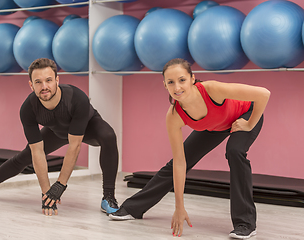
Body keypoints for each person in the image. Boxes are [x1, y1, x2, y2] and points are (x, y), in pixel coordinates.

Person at [109, 58, 270, 239]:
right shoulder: (174, 116)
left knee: (235, 151)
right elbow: (179, 163)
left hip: (245, 115)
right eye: (171, 82)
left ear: (192, 78)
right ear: (165, 85)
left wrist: (249, 124)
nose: (177, 87)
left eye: (182, 80)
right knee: (177, 161)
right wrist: (179, 207)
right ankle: (132, 208)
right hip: (215, 125)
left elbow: (263, 94)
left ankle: (245, 223)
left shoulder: (212, 90)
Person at [0, 58, 120, 216]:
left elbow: (74, 146)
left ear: (57, 80)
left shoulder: (76, 98)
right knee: (24, 156)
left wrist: (59, 186)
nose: (44, 86)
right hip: (56, 131)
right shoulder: (28, 109)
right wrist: (46, 194)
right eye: (38, 82)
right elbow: (38, 153)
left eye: (49, 80)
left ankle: (108, 197)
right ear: (31, 85)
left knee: (108, 136)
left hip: (88, 127)